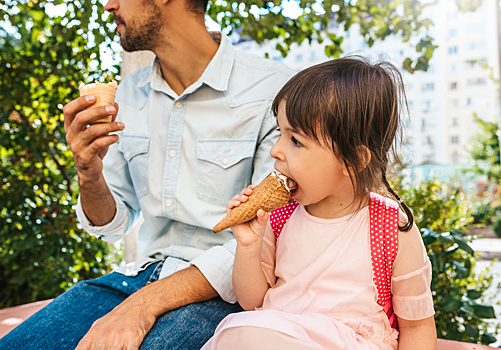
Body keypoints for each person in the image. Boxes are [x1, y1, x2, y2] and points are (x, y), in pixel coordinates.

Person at [0, 0, 293, 349]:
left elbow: (269, 237)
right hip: (137, 277)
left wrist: (142, 306)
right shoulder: (128, 92)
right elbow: (112, 224)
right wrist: (88, 172)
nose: (109, 5)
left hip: (223, 290)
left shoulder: (275, 90)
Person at [201, 57, 437, 350]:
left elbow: (418, 325)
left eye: (296, 141)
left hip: (349, 344)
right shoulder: (281, 217)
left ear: (353, 161)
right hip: (276, 337)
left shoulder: (390, 226)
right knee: (242, 331)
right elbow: (253, 302)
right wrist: (249, 246)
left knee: (243, 333)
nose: (276, 151)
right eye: (280, 133)